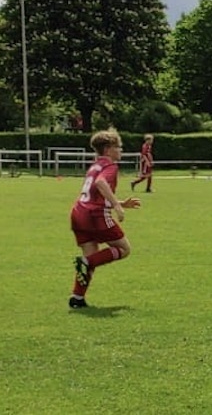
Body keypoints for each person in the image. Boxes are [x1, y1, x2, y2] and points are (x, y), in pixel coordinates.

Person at [69, 130, 142, 309]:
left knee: (92, 256)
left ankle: (77, 298)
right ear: (108, 149)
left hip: (78, 213)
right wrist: (116, 206)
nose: (121, 150)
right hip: (95, 215)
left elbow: (94, 194)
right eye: (118, 147)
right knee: (123, 249)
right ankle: (86, 263)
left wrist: (121, 203)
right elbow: (100, 183)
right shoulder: (110, 166)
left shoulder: (94, 166)